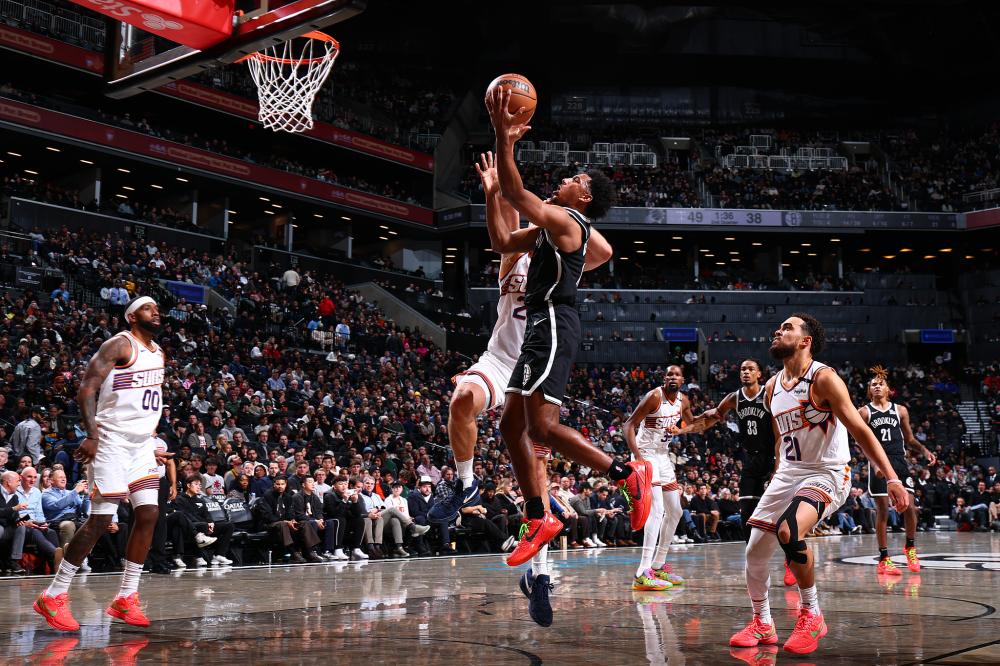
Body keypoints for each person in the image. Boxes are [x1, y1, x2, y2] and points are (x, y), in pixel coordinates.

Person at [486, 87, 651, 617]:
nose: (567, 178)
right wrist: (493, 192)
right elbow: (502, 241)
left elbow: (522, 196)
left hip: (554, 321)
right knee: (511, 427)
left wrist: (503, 137)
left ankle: (626, 474)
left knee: (541, 428)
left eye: (576, 179)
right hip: (541, 324)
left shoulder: (568, 222)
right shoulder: (552, 229)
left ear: (582, 199)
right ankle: (539, 515)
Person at [433, 150, 610, 523]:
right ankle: (466, 483)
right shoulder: (518, 255)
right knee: (463, 399)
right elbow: (505, 230)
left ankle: (540, 565)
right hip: (501, 361)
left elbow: (603, 250)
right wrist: (492, 191)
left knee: (537, 455)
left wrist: (568, 217)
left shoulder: (563, 253)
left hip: (540, 354)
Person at [730, 314, 910, 655]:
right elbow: (781, 436)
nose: (778, 331)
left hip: (827, 473)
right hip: (788, 474)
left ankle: (812, 613)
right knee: (754, 551)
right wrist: (778, 470)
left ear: (805, 340)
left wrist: (892, 477)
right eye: (779, 327)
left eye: (787, 328)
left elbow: (860, 430)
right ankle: (762, 622)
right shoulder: (771, 388)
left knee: (788, 532)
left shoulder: (824, 379)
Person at [34, 296, 172, 632]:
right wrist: (92, 435)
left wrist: (149, 436)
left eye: (156, 307)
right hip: (111, 441)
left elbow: (146, 400)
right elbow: (86, 389)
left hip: (141, 445)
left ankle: (126, 597)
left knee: (149, 513)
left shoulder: (158, 352)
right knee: (100, 519)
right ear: (131, 316)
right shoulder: (119, 345)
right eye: (146, 307)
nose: (155, 311)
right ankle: (54, 595)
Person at [678, 358, 794, 584]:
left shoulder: (768, 396)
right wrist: (682, 430)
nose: (746, 372)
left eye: (751, 369)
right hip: (750, 461)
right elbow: (712, 417)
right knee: (747, 517)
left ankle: (790, 559)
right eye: (742, 369)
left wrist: (778, 468)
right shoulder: (734, 398)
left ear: (759, 373)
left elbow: (779, 436)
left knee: (782, 514)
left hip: (773, 459)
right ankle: (755, 564)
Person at [860, 366, 937, 575]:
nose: (877, 386)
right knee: (883, 510)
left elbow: (910, 439)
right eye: (873, 384)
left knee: (910, 507)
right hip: (878, 463)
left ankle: (910, 547)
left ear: (888, 389)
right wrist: (875, 465)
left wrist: (924, 450)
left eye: (880, 384)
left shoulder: (900, 410)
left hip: (899, 462)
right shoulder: (864, 412)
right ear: (869, 391)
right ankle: (884, 558)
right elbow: (862, 443)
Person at [624, 364, 693, 592]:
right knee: (657, 511)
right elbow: (629, 425)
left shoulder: (683, 401)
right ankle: (642, 572)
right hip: (647, 456)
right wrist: (638, 458)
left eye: (676, 374)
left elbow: (691, 424)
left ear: (682, 380)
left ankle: (658, 565)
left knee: (675, 511)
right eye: (668, 374)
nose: (672, 377)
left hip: (663, 457)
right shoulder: (654, 397)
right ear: (664, 379)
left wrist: (679, 430)